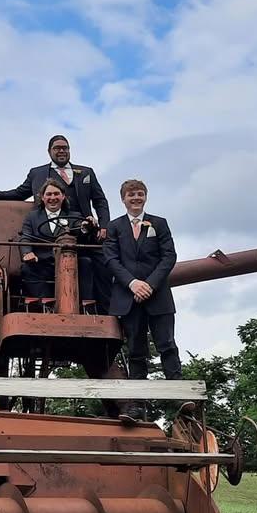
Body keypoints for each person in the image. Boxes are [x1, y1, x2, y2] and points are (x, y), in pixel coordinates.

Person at [0, 134, 112, 312]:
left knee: (102, 265)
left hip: (83, 235)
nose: (61, 151)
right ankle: (46, 309)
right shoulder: (37, 173)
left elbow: (100, 201)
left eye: (65, 148)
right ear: (49, 151)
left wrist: (103, 226)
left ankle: (102, 312)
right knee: (33, 270)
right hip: (46, 240)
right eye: (57, 148)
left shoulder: (86, 172)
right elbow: (19, 193)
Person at [103, 178, 180, 424]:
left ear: (145, 197)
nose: (136, 198)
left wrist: (150, 284)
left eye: (139, 194)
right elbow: (111, 259)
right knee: (136, 351)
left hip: (158, 296)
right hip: (128, 297)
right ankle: (136, 405)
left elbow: (169, 256)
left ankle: (179, 396)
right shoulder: (114, 227)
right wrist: (133, 283)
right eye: (131, 195)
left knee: (167, 344)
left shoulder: (159, 223)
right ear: (123, 199)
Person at [19, 177, 95, 306]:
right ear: (42, 197)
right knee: (27, 268)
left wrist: (85, 227)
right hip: (42, 262)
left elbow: (81, 231)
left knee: (86, 263)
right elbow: (25, 237)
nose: (52, 197)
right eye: (49, 194)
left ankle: (85, 306)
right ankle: (44, 306)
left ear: (63, 196)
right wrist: (27, 253)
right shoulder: (32, 217)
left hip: (70, 263)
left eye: (56, 194)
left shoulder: (74, 216)